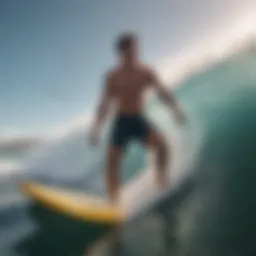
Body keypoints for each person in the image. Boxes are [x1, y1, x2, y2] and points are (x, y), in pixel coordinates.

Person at [89, 32, 186, 205]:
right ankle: (114, 202)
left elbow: (162, 92)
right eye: (129, 48)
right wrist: (96, 128)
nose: (134, 51)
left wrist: (176, 110)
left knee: (162, 145)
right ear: (121, 52)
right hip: (122, 121)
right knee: (112, 163)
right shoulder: (112, 76)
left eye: (135, 47)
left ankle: (161, 180)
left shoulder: (146, 72)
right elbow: (104, 104)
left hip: (139, 120)